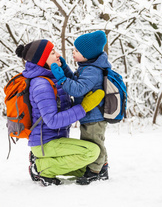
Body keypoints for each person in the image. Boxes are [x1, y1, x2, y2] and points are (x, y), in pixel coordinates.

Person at [15, 39, 105, 187]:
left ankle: (41, 161)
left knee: (88, 168)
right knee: (92, 152)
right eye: (52, 52)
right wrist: (84, 107)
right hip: (46, 143)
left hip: (56, 140)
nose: (58, 54)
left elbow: (73, 83)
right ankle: (41, 168)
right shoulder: (41, 84)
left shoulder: (51, 77)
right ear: (42, 59)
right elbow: (52, 121)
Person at [51, 30, 111, 185]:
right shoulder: (87, 66)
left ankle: (95, 172)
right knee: (94, 141)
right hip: (89, 115)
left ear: (87, 55)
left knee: (94, 143)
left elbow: (77, 89)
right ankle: (102, 167)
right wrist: (64, 69)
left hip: (94, 116)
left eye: (77, 51)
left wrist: (61, 79)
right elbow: (76, 80)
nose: (73, 52)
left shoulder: (92, 71)